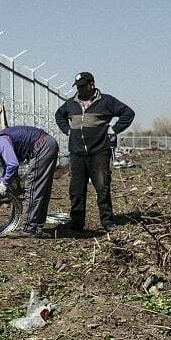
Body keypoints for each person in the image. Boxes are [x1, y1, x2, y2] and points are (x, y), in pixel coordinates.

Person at [54, 72, 135, 231]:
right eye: (78, 87)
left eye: (83, 86)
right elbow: (59, 115)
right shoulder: (71, 103)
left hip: (99, 152)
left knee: (102, 186)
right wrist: (67, 130)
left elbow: (128, 113)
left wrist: (114, 129)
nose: (80, 89)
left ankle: (107, 222)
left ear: (92, 84)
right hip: (77, 153)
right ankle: (77, 222)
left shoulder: (106, 101)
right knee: (76, 190)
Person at [0, 126, 59, 238]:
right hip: (48, 144)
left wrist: (4, 183)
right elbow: (8, 168)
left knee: (33, 189)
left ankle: (29, 228)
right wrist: (2, 183)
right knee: (41, 190)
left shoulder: (0, 142)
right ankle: (37, 227)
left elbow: (13, 164)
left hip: (42, 146)